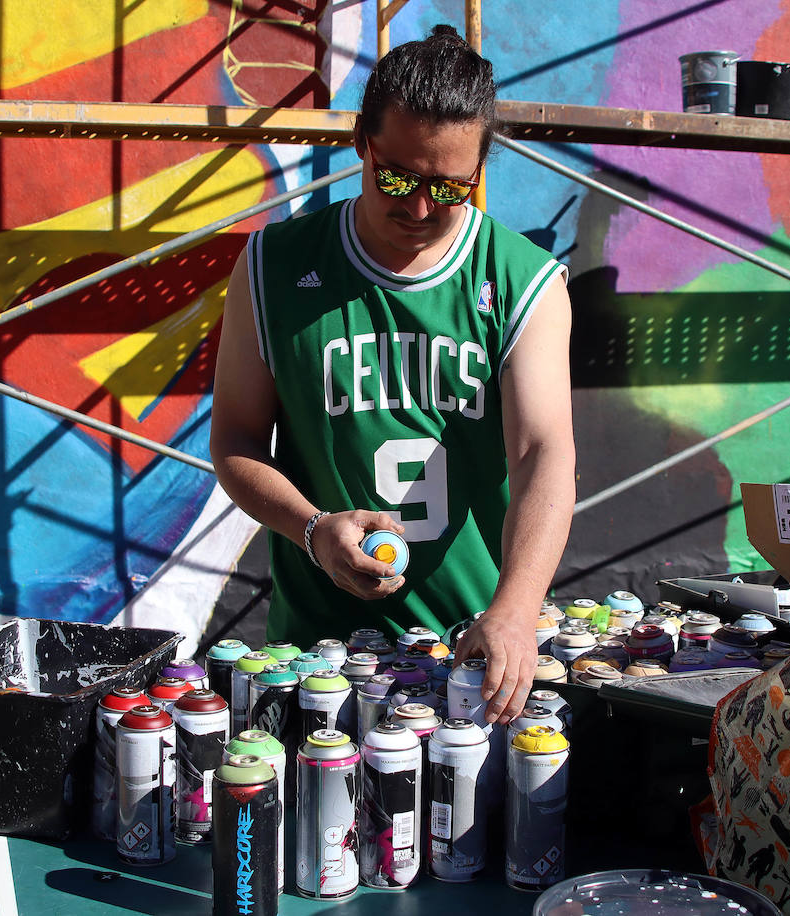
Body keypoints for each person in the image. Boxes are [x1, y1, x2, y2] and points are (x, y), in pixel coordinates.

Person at [209, 24, 574, 726]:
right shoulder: (273, 267)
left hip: (471, 655)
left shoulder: (521, 280)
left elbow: (544, 452)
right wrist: (314, 528)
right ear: (361, 144)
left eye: (449, 187)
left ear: (480, 168)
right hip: (316, 663)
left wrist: (516, 611)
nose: (418, 208)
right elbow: (235, 440)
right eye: (398, 178)